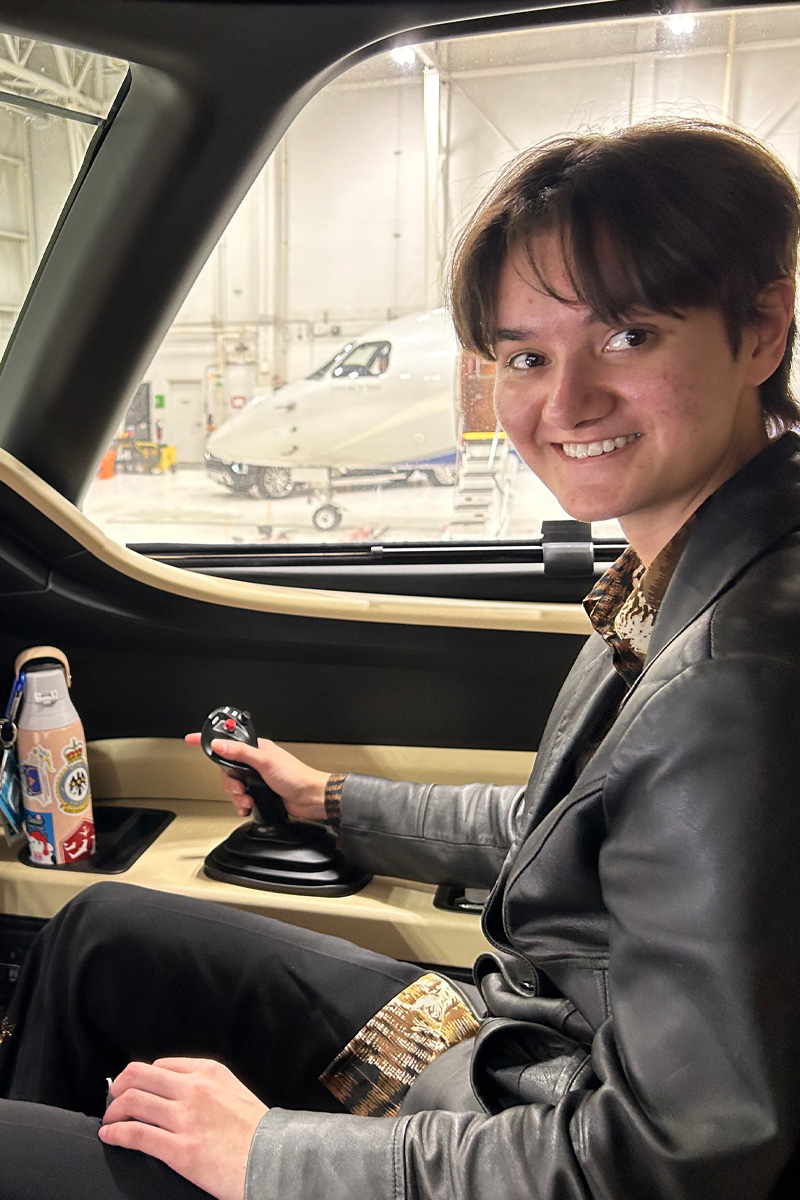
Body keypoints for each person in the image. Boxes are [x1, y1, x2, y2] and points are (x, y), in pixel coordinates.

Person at [0, 117, 799, 1200]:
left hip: (552, 1124)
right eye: (525, 355)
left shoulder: (739, 677)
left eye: (626, 337)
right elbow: (560, 837)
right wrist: (327, 800)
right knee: (103, 935)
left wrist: (266, 1155)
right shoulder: (683, 577)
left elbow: (669, 1156)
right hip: (504, 1059)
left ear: (760, 329)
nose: (563, 404)